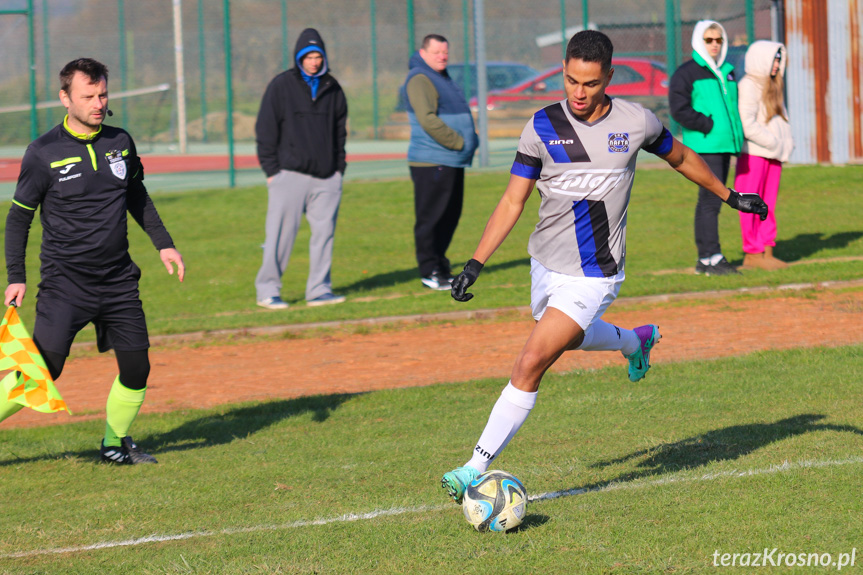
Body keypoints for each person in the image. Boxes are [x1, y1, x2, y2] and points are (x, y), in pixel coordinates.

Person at [440, 30, 767, 503]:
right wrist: (475, 262)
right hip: (545, 263)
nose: (577, 92)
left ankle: (474, 467)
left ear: (609, 77)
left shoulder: (636, 122)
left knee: (532, 361)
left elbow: (680, 157)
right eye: (571, 80)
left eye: (589, 84)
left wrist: (730, 195)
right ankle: (635, 341)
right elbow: (513, 200)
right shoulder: (542, 125)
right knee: (567, 338)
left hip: (595, 271)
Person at [2, 58, 185, 464]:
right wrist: (16, 275)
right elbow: (18, 217)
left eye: (103, 94)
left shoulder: (120, 141)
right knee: (43, 371)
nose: (98, 103)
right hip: (65, 284)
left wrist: (164, 244)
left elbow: (136, 194)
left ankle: (113, 443)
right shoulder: (42, 152)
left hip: (118, 280)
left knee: (137, 368)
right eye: (88, 96)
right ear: (65, 98)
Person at [255, 28, 348, 309]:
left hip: (327, 178)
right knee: (279, 237)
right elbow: (265, 129)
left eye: (318, 56)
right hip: (289, 175)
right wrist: (272, 171)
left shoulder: (333, 87)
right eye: (308, 56)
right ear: (299, 57)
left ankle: (319, 290)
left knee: (324, 236)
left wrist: (338, 169)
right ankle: (268, 292)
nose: (314, 61)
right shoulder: (281, 86)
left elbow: (340, 132)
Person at [402, 34, 479, 290]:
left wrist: (470, 141)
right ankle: (429, 270)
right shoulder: (420, 78)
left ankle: (441, 266)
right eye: (436, 52)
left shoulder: (441, 76)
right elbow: (427, 119)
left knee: (449, 216)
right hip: (432, 161)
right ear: (423, 53)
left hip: (451, 161)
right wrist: (459, 142)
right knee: (431, 218)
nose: (442, 57)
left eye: (445, 52)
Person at [669, 20, 745, 276]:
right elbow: (679, 109)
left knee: (713, 201)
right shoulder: (687, 72)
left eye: (718, 40)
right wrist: (707, 125)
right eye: (708, 40)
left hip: (724, 145)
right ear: (699, 41)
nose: (714, 45)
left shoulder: (728, 70)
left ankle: (708, 258)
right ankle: (710, 258)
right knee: (711, 200)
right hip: (706, 146)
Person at [734, 41, 793, 270]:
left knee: (769, 204)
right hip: (755, 155)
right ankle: (752, 254)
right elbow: (747, 124)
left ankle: (767, 250)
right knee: (750, 203)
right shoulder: (748, 85)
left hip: (773, 156)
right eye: (773, 59)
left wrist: (785, 145)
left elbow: (781, 121)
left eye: (779, 59)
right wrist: (773, 142)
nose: (777, 64)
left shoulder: (773, 85)